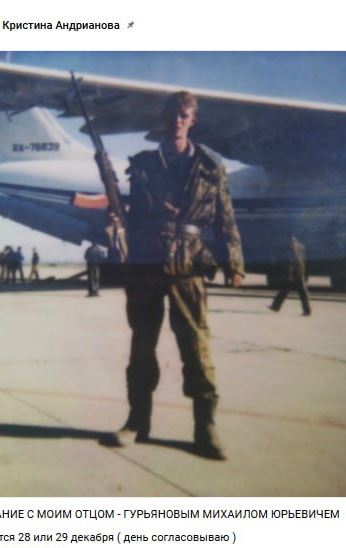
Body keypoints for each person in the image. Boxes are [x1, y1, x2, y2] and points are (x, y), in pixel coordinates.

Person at [104, 91, 244, 460]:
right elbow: (135, 216)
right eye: (172, 115)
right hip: (148, 262)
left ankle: (205, 427)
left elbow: (225, 217)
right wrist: (118, 220)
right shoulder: (144, 163)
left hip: (189, 264)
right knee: (142, 346)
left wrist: (233, 261)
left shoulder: (210, 166)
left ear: (192, 121)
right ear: (164, 119)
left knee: (196, 347)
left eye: (184, 115)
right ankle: (137, 421)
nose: (177, 121)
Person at [269, 234, 311, 316]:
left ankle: (276, 306)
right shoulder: (301, 246)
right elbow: (302, 260)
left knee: (287, 290)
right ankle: (275, 306)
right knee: (297, 291)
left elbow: (291, 260)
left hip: (294, 272)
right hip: (300, 271)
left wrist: (290, 274)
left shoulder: (290, 246)